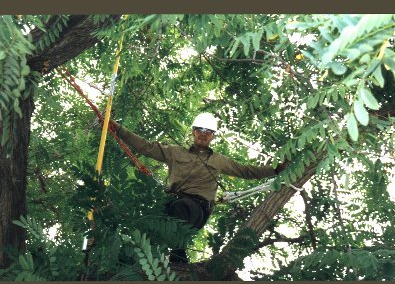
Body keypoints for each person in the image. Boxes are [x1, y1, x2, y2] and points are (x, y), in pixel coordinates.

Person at [110, 113, 285, 263]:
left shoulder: (219, 160)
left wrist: (275, 169)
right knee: (145, 226)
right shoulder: (175, 152)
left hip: (196, 208)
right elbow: (146, 147)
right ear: (193, 132)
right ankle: (126, 260)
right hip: (170, 203)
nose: (203, 134)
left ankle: (178, 252)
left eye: (208, 132)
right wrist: (119, 129)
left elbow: (247, 171)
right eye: (200, 130)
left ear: (212, 136)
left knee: (182, 207)